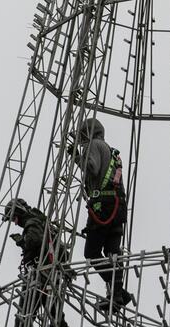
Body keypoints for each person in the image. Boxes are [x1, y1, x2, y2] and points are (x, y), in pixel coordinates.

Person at [0, 198, 78, 327]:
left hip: (39, 278)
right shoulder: (41, 220)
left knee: (24, 317)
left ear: (18, 212)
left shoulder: (32, 221)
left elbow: (35, 242)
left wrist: (23, 242)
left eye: (14, 218)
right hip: (49, 277)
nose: (14, 222)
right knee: (56, 319)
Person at [70, 117, 133, 310]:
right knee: (112, 251)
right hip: (117, 207)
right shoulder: (112, 153)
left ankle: (118, 289)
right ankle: (118, 295)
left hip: (102, 207)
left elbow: (92, 168)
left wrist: (78, 156)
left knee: (92, 252)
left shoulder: (93, 145)